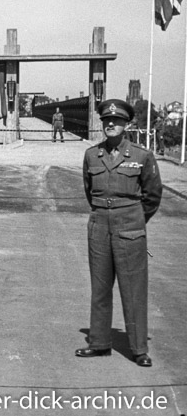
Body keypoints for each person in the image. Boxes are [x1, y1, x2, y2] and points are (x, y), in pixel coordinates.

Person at [76, 99, 162, 367]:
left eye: (117, 121)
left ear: (127, 124)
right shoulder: (92, 155)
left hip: (130, 226)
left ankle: (138, 349)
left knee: (133, 289)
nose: (111, 124)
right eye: (106, 121)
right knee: (100, 288)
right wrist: (106, 214)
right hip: (99, 224)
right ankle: (100, 343)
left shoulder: (141, 156)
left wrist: (134, 218)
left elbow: (152, 195)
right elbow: (90, 192)